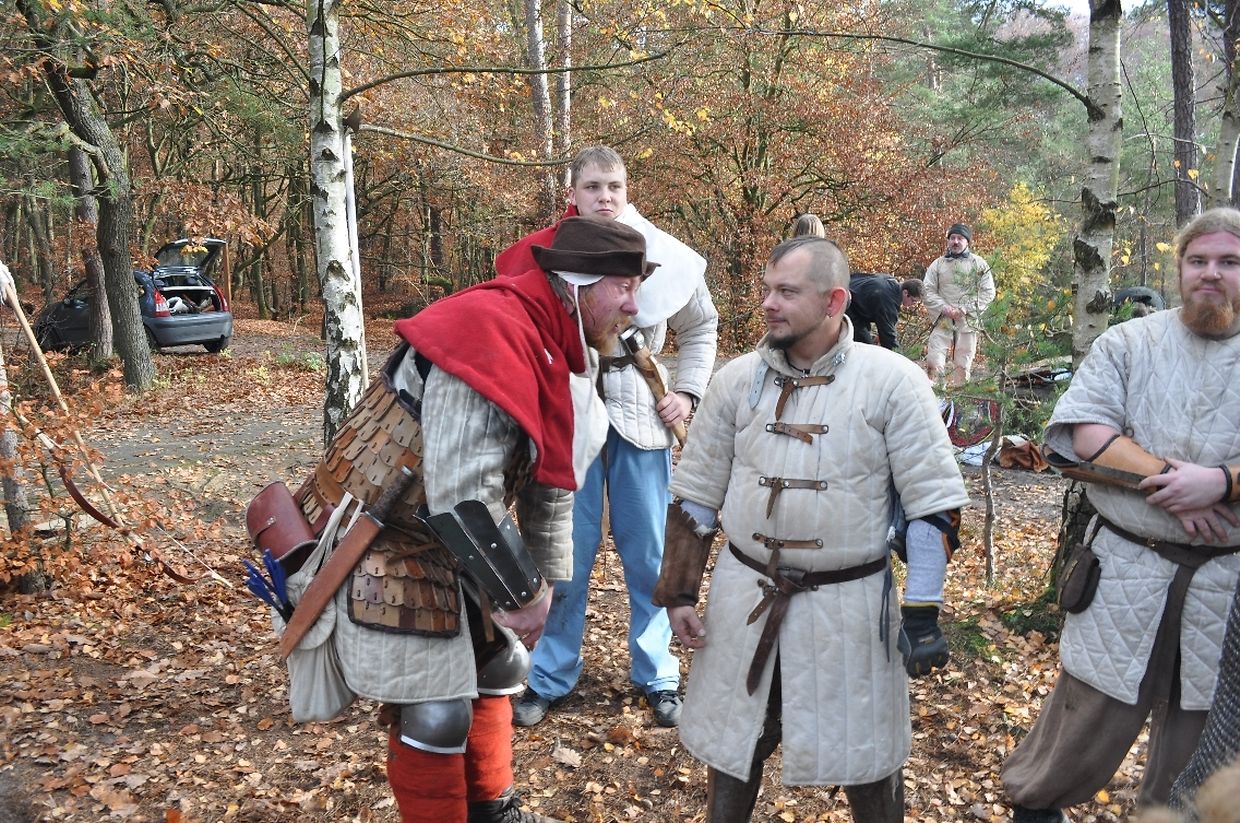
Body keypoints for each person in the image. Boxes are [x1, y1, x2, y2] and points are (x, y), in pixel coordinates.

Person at [290, 217, 654, 823]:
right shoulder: (488, 332)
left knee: (498, 664)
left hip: (444, 533)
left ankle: (493, 811)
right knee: (435, 711)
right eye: (624, 288)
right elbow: (464, 497)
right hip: (386, 538)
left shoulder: (555, 340)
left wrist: (543, 587)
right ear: (578, 286)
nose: (634, 306)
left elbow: (552, 477)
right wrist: (522, 594)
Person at [652, 235, 970, 821]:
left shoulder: (894, 381)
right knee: (734, 748)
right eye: (766, 289)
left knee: (868, 759)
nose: (768, 303)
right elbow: (695, 494)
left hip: (851, 609)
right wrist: (677, 593)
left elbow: (933, 503)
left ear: (833, 301)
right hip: (746, 598)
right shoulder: (735, 380)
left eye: (786, 292)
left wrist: (923, 610)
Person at [1002, 206, 1240, 822]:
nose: (1210, 273)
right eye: (1197, 260)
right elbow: (1087, 433)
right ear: (1180, 268)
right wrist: (1177, 485)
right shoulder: (1130, 343)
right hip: (1126, 572)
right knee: (1077, 729)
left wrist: (1221, 482)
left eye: (1229, 261)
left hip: (1228, 584)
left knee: (1200, 756)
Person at [496, 146, 718, 729]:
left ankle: (658, 672)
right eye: (593, 186)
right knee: (562, 553)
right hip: (567, 415)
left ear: (627, 189)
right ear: (573, 192)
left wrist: (688, 392)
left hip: (642, 417)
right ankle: (549, 673)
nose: (605, 197)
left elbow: (702, 326)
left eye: (614, 186)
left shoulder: (664, 252)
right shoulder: (547, 256)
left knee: (648, 554)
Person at [923, 222, 995, 385]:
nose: (955, 241)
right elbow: (927, 290)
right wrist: (944, 308)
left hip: (967, 322)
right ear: (948, 241)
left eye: (960, 238)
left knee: (963, 366)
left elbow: (988, 292)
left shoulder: (979, 264)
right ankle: (936, 396)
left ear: (967, 241)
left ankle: (960, 398)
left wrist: (966, 309)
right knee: (934, 362)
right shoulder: (938, 264)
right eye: (952, 238)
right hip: (942, 321)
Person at [847, 272, 923, 350]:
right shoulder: (889, 301)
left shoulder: (890, 280)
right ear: (905, 293)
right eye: (913, 301)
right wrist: (899, 355)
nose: (913, 305)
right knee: (866, 348)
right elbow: (889, 339)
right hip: (849, 306)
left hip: (851, 292)